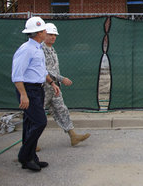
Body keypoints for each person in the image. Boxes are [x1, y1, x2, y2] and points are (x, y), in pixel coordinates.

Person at [11, 16, 60, 172]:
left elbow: (41, 71)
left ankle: (31, 158)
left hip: (37, 89)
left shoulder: (38, 48)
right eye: (45, 30)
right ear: (39, 33)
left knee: (30, 123)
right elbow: (17, 75)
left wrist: (51, 83)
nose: (47, 32)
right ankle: (24, 155)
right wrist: (23, 95)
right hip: (28, 90)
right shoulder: (26, 50)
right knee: (40, 122)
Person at [42, 23, 90, 147]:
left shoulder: (51, 49)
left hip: (54, 87)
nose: (53, 37)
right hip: (44, 87)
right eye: (50, 34)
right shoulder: (41, 50)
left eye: (54, 35)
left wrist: (57, 81)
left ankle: (73, 135)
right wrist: (62, 79)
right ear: (43, 34)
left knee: (62, 110)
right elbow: (46, 70)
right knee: (37, 115)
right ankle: (30, 142)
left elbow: (54, 70)